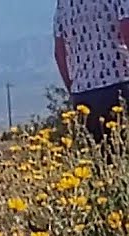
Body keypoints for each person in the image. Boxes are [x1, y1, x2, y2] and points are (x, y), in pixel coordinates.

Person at [54, 0, 129, 142]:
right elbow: (127, 32)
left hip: (83, 95)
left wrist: (72, 89)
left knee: (99, 150)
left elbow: (59, 51)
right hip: (119, 82)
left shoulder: (63, 3)